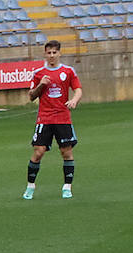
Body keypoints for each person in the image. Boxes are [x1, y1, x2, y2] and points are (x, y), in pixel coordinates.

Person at [23, 40, 81, 200]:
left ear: (59, 53)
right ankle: (30, 186)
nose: (52, 55)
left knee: (66, 152)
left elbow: (78, 89)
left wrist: (75, 100)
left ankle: (67, 187)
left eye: (54, 52)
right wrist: (41, 85)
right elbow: (31, 96)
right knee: (38, 152)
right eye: (49, 53)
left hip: (63, 117)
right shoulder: (39, 73)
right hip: (44, 118)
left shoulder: (68, 71)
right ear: (45, 54)